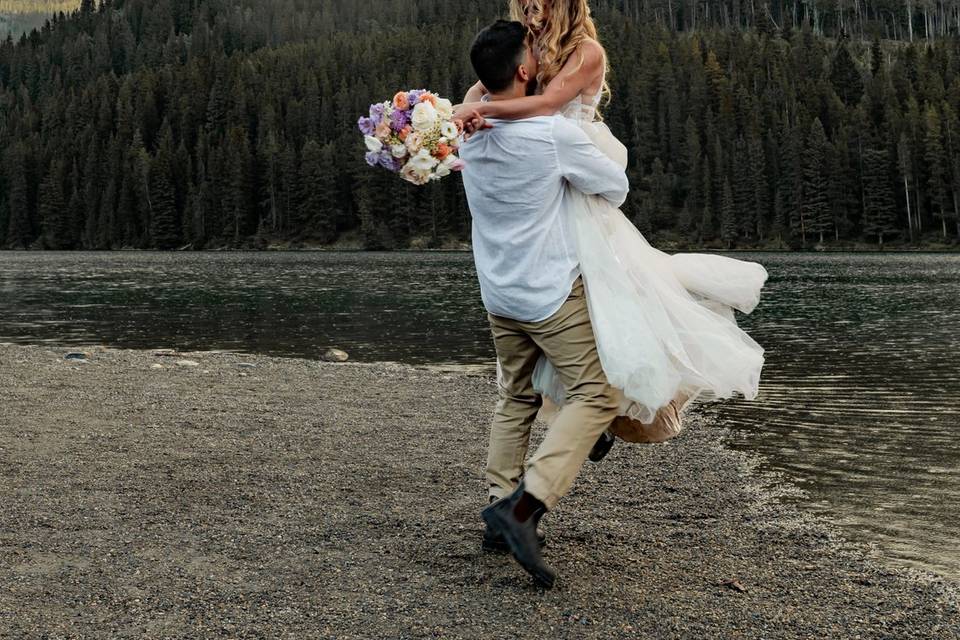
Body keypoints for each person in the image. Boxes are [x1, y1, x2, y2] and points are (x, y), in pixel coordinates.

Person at [456, 0, 767, 455]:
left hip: (573, 165)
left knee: (612, 292)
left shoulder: (587, 52)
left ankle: (613, 408)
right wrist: (465, 110)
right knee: (563, 292)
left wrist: (484, 115)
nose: (528, 11)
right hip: (545, 174)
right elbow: (476, 91)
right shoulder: (524, 47)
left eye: (536, 3)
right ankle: (589, 410)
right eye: (523, 4)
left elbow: (545, 105)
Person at [459, 19, 629, 588]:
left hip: (497, 291)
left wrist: (474, 100)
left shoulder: (468, 133)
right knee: (598, 392)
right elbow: (616, 186)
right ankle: (524, 507)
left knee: (516, 393)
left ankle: (495, 502)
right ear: (527, 71)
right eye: (533, 51)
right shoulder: (551, 135)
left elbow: (477, 99)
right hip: (547, 294)